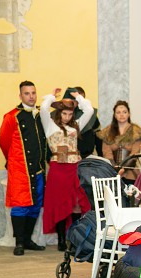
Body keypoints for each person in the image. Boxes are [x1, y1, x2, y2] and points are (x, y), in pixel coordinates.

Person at [40, 88, 94, 251]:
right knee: (60, 203)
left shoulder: (75, 127)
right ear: (59, 113)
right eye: (64, 113)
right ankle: (61, 239)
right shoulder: (49, 125)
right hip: (58, 168)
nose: (67, 117)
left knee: (76, 203)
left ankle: (74, 238)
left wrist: (79, 98)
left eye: (70, 114)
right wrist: (51, 96)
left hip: (74, 167)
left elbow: (89, 111)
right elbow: (43, 109)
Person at [0, 81, 47, 256]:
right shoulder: (11, 116)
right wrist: (13, 160)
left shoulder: (41, 114)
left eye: (33, 93)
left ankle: (27, 240)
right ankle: (19, 242)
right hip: (20, 168)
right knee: (20, 204)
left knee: (35, 205)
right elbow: (3, 142)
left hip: (39, 168)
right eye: (27, 93)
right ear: (20, 96)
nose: (31, 96)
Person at [96, 100, 141, 184]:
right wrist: (115, 169)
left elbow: (134, 155)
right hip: (112, 173)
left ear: (129, 114)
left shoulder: (136, 132)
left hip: (131, 173)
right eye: (118, 112)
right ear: (115, 115)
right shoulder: (107, 132)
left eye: (124, 112)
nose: (121, 115)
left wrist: (123, 169)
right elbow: (107, 154)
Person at [61, 86, 102, 158]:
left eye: (82, 100)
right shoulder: (56, 118)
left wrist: (101, 156)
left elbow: (98, 138)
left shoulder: (84, 120)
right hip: (64, 158)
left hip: (86, 157)